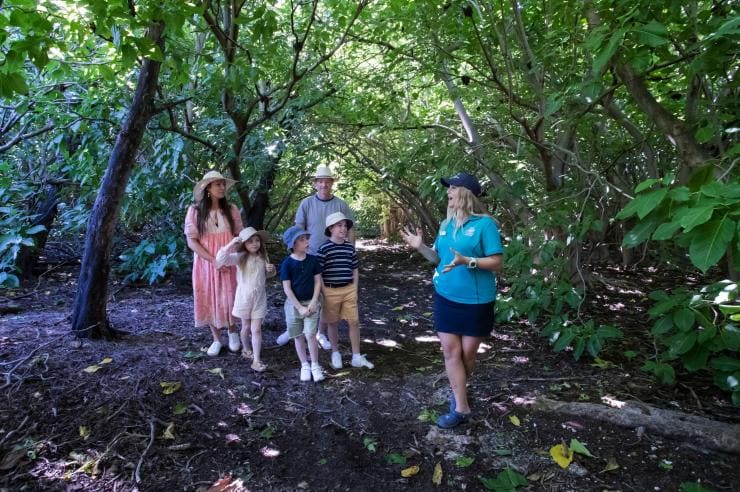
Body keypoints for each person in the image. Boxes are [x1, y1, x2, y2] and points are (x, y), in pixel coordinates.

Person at [400, 172, 503, 429]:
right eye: (449, 188)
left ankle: (460, 390)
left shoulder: (485, 225)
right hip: (445, 295)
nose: (448, 191)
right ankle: (461, 407)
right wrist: (420, 247)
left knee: (468, 354)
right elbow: (438, 259)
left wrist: (468, 261)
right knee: (450, 352)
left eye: (453, 188)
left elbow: (497, 262)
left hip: (476, 301)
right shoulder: (446, 225)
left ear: (466, 194)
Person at [276, 164, 355, 350]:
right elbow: (298, 229)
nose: (323, 185)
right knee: (300, 290)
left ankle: (320, 332)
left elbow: (350, 230)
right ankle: (294, 329)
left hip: (333, 257)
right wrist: (297, 251)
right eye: (320, 181)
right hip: (308, 256)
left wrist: (351, 251)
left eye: (327, 181)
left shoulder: (341, 205)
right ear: (315, 184)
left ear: (332, 183)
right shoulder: (306, 203)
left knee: (325, 295)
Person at [184, 170, 244, 357]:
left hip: (229, 260)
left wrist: (232, 254)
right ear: (207, 188)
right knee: (209, 296)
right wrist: (214, 260)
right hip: (206, 262)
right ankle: (216, 339)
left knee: (231, 294)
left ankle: (233, 331)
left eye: (223, 184)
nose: (222, 187)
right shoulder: (195, 211)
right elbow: (192, 241)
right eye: (217, 184)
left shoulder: (231, 209)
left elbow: (240, 235)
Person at [318, 212, 374, 370]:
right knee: (332, 322)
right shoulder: (323, 249)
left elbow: (355, 269)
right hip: (330, 290)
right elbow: (318, 273)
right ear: (330, 228)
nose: (343, 229)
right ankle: (335, 353)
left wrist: (354, 288)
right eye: (339, 226)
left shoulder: (350, 247)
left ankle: (356, 356)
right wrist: (323, 291)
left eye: (345, 226)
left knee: (354, 321)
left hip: (349, 289)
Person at [216, 227, 276, 372]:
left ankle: (256, 360)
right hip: (244, 298)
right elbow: (221, 259)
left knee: (256, 329)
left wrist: (271, 270)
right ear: (244, 244)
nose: (254, 244)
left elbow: (267, 275)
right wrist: (231, 244)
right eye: (250, 241)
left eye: (257, 240)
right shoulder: (240, 257)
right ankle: (246, 348)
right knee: (246, 327)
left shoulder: (263, 257)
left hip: (259, 298)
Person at [280, 225, 325, 382]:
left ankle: (315, 365)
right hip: (293, 305)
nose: (306, 242)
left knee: (311, 334)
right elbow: (287, 288)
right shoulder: (287, 263)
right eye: (302, 240)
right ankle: (304, 365)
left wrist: (313, 302)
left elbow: (318, 282)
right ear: (293, 244)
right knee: (298, 335)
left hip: (311, 302)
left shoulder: (313, 260)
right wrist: (299, 307)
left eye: (306, 239)